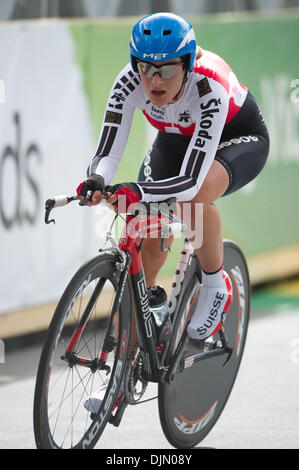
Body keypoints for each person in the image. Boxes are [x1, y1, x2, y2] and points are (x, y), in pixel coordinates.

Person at [77, 12, 269, 412]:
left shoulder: (209, 86)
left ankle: (216, 284)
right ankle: (121, 374)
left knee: (191, 201)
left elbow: (190, 182)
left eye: (166, 69)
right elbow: (108, 152)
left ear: (186, 63)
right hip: (177, 142)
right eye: (146, 69)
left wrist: (139, 189)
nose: (154, 81)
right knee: (146, 240)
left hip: (236, 136)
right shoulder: (129, 82)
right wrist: (97, 180)